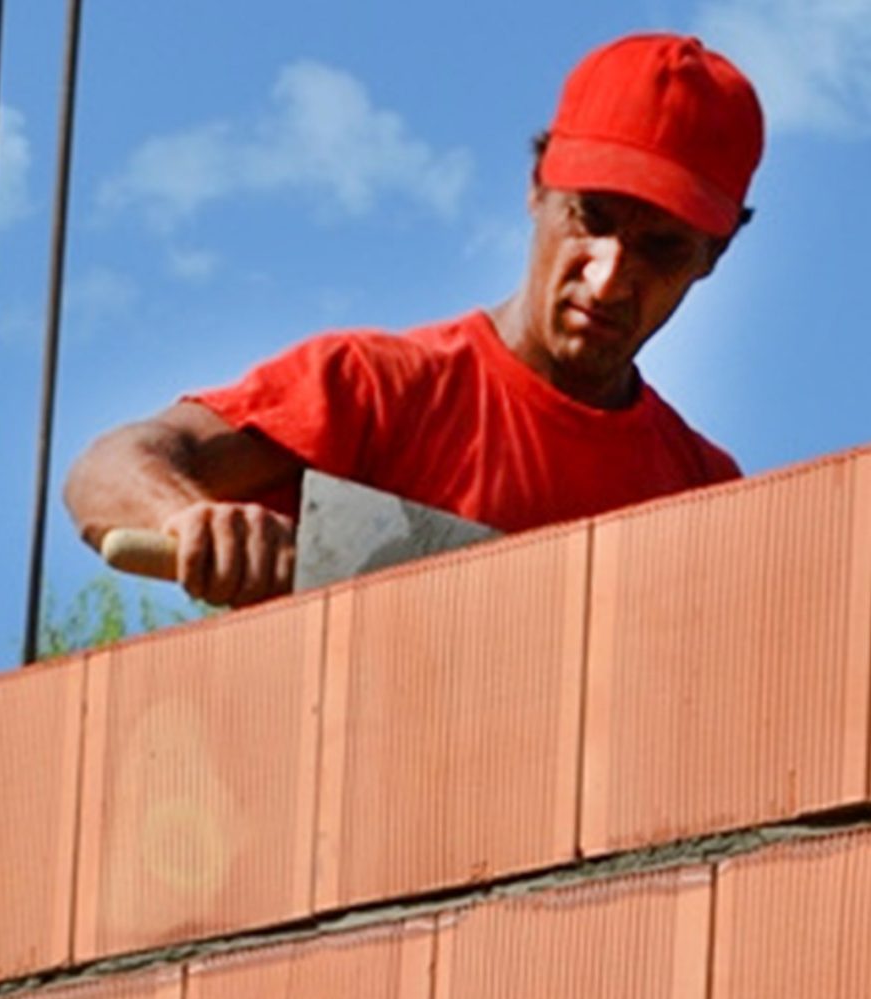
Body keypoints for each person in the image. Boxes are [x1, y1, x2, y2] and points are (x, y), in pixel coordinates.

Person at [63, 32, 765, 607]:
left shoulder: (704, 494)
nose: (609, 278)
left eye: (662, 248)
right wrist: (188, 519)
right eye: (591, 219)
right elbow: (107, 470)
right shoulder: (375, 391)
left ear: (715, 254)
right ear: (537, 187)